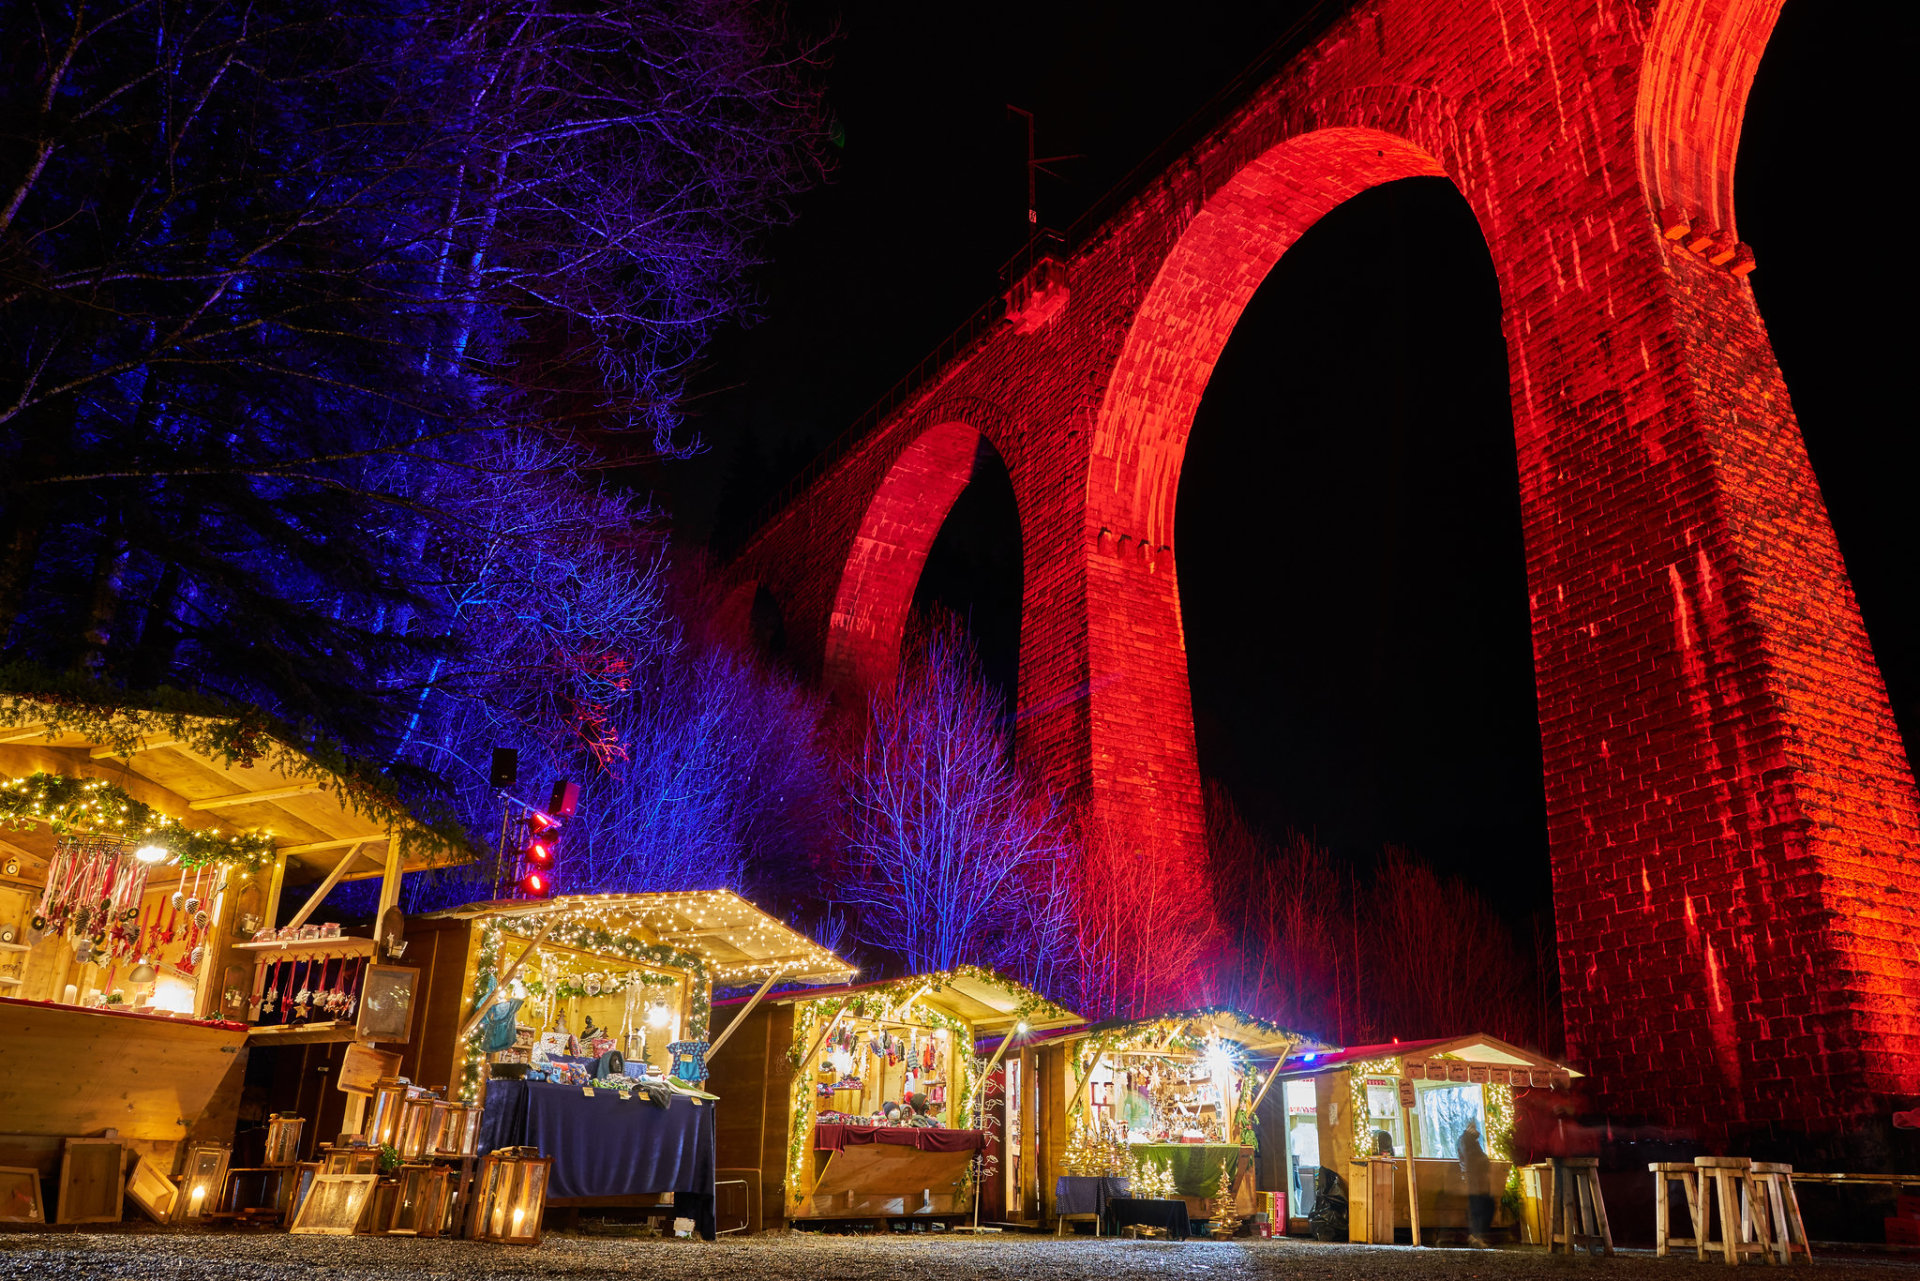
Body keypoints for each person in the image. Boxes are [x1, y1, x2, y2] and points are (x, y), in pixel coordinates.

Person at [1458, 1119, 1494, 1247]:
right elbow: (1472, 1159)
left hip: (1477, 1180)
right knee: (1479, 1207)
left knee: (1482, 1206)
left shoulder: (1471, 1140)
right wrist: (1484, 1161)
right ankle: (1476, 1235)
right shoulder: (1467, 1140)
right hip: (1475, 1180)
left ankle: (1477, 1235)